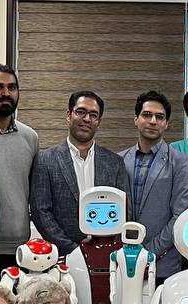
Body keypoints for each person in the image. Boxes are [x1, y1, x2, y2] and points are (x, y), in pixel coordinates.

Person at [31, 90, 133, 256]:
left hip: (107, 256)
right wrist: (74, 251)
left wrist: (108, 249)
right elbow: (41, 212)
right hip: (63, 256)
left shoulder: (115, 163)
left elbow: (124, 211)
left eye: (93, 115)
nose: (87, 119)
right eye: (80, 112)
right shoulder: (46, 160)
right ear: (68, 115)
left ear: (99, 122)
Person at [0, 64, 40, 280]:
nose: (6, 93)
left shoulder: (30, 137)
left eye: (12, 87)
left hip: (20, 249)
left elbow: (33, 193)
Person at [119, 90, 188, 278]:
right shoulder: (119, 160)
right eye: (147, 115)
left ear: (166, 123)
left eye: (159, 117)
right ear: (136, 119)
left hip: (163, 263)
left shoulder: (180, 162)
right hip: (121, 259)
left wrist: (149, 252)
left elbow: (180, 216)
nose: (153, 121)